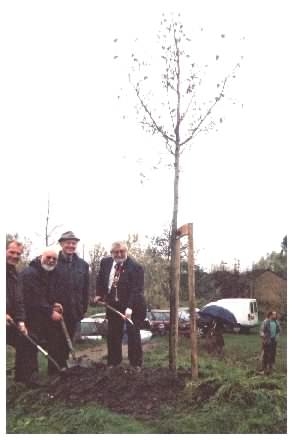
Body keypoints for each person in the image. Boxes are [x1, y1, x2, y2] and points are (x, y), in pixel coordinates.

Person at [95, 241, 146, 371]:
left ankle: (135, 364)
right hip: (113, 305)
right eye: (115, 252)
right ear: (111, 253)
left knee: (133, 334)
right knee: (113, 334)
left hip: (133, 305)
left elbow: (136, 290)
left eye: (122, 251)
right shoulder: (105, 263)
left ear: (126, 251)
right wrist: (99, 294)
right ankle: (113, 363)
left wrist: (129, 308)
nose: (119, 254)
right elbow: (101, 279)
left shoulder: (136, 267)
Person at [20, 248, 63, 377]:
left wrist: (54, 303)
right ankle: (28, 377)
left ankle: (51, 372)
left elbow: (45, 295)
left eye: (54, 259)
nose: (51, 261)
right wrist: (50, 312)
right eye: (48, 257)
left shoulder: (48, 273)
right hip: (28, 315)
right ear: (40, 257)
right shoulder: (30, 273)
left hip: (40, 315)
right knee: (29, 346)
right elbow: (34, 298)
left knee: (50, 341)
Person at [52, 231, 89, 372]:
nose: (71, 245)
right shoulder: (53, 261)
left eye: (73, 243)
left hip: (75, 311)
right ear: (61, 244)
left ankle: (66, 367)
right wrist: (51, 305)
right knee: (56, 342)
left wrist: (83, 309)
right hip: (57, 311)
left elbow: (85, 290)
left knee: (68, 342)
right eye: (68, 242)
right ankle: (54, 370)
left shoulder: (83, 265)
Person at [6, 240, 32, 384]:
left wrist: (21, 321)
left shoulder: (15, 274)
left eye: (18, 254)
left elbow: (19, 301)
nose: (15, 256)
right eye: (12, 252)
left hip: (10, 322)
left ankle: (22, 381)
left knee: (26, 340)